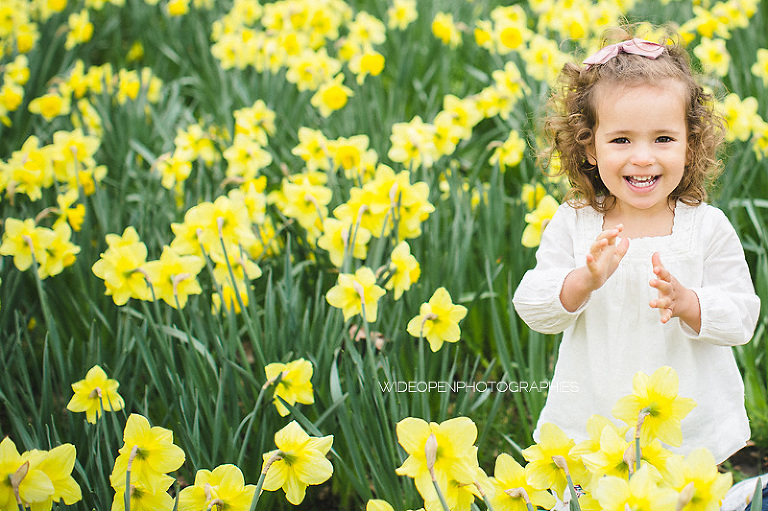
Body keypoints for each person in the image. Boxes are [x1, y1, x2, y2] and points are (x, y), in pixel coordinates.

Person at [512, 30, 761, 465]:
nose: (642, 157)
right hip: (595, 418)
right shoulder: (575, 223)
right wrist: (583, 280)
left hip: (688, 425)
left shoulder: (706, 228)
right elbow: (533, 306)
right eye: (621, 139)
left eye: (663, 139)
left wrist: (689, 302)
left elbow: (742, 317)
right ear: (589, 147)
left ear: (690, 143)